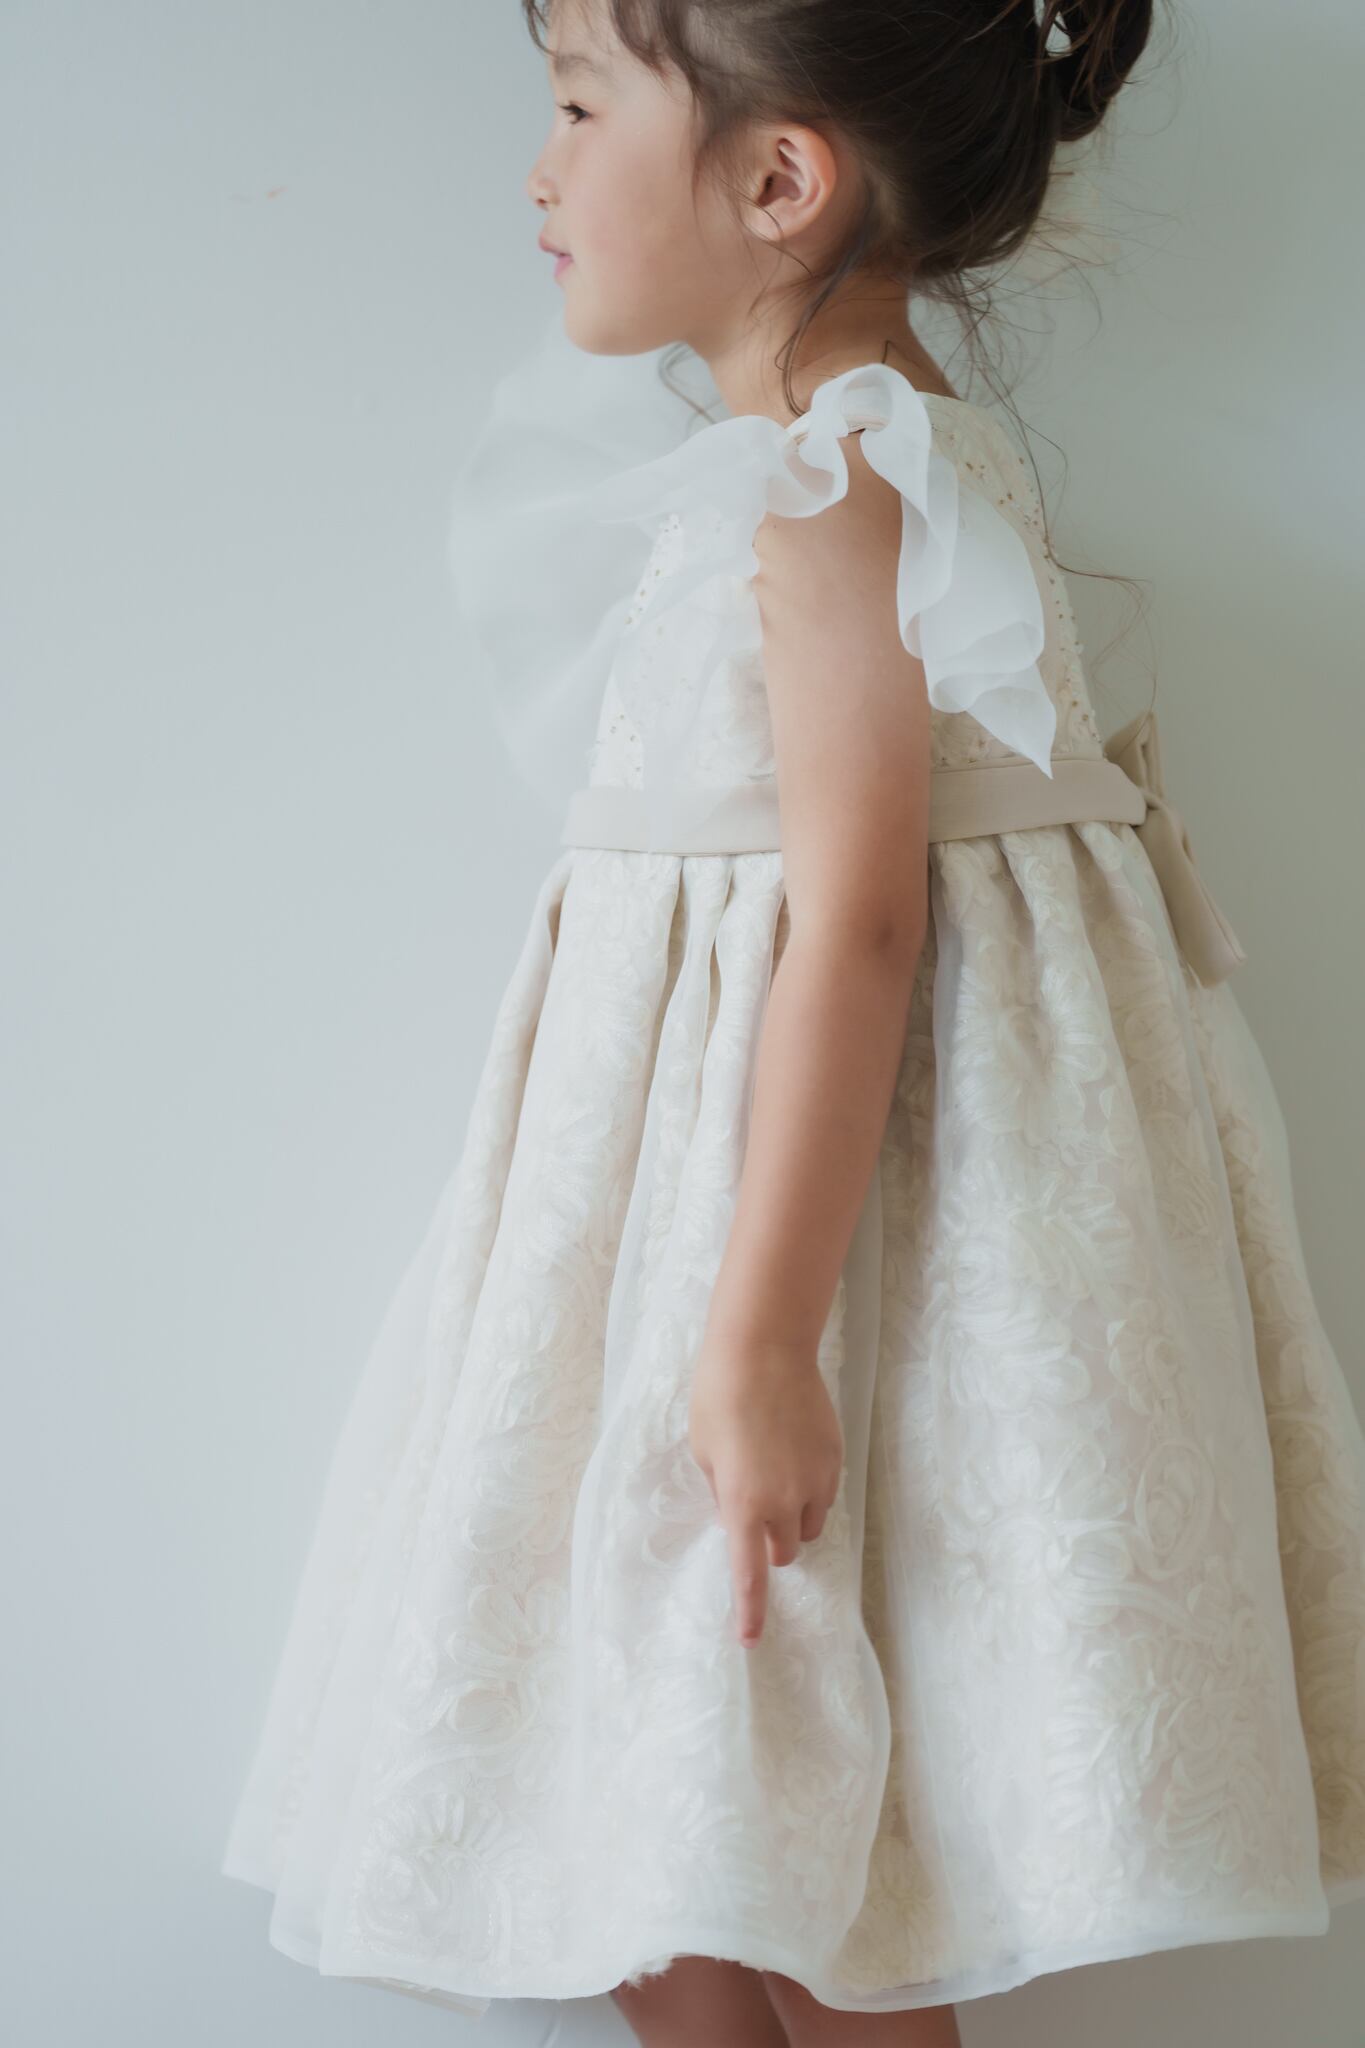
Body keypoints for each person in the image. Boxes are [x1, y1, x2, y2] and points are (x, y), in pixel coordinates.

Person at [220, 1, 1365, 2041]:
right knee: (661, 1854)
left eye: (578, 106)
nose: (538, 170)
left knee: (791, 1874)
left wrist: (756, 1346)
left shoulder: (839, 478)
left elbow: (856, 920)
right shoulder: (800, 462)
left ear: (775, 180)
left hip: (792, 1256)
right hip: (682, 1208)